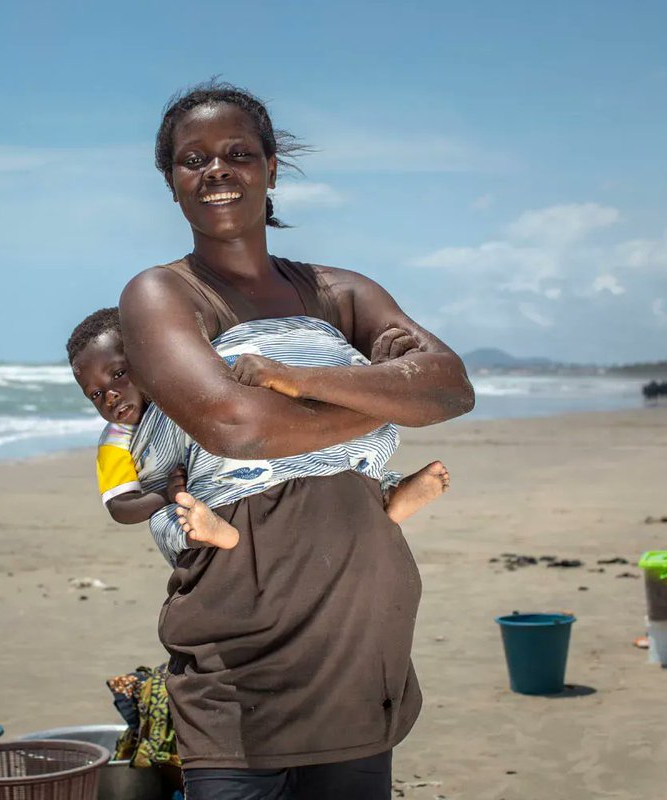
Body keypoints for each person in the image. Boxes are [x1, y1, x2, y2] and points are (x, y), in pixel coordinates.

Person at [117, 82, 474, 799]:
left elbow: (449, 388)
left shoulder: (340, 292)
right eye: (194, 160)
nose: (217, 170)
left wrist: (297, 381)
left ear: (272, 168)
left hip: (361, 635)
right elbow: (234, 425)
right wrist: (379, 398)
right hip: (237, 659)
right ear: (171, 182)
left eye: (238, 153)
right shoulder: (162, 295)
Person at [67, 306, 452, 560]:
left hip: (253, 468)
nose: (110, 395)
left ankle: (390, 497)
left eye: (119, 374)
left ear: (148, 358)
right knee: (166, 521)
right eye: (95, 394)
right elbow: (121, 508)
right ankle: (209, 533)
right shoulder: (115, 441)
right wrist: (164, 496)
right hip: (190, 503)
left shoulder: (182, 390)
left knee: (325, 456)